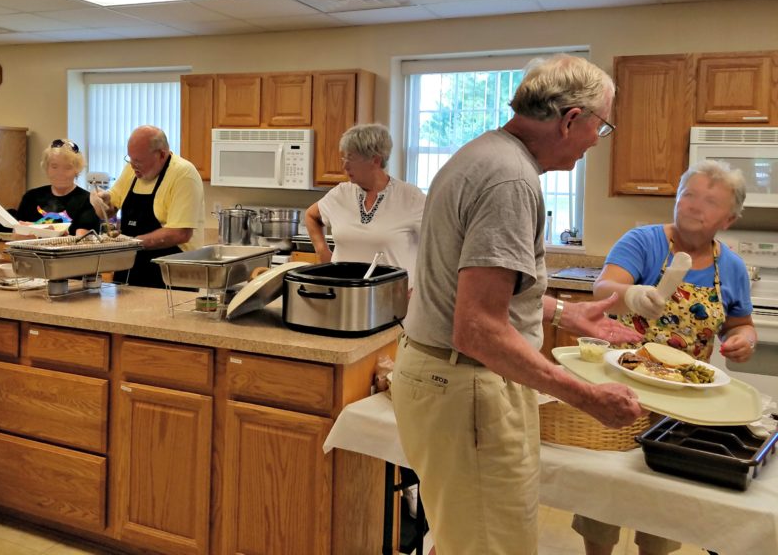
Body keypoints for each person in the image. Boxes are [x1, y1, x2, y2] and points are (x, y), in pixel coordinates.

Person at [391, 54, 645, 555]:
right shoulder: (511, 181)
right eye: (602, 126)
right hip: (467, 388)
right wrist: (586, 397)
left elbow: (478, 293)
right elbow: (479, 329)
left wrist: (561, 313)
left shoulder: (482, 154)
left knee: (464, 535)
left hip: (441, 380)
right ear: (572, 119)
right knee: (491, 545)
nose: (598, 139)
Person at [573, 159, 757, 555]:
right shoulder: (643, 242)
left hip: (683, 407)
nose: (694, 205)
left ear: (729, 219)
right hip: (622, 393)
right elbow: (603, 288)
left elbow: (741, 323)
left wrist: (744, 339)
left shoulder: (733, 267)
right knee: (605, 495)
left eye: (709, 201)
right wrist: (634, 296)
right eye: (688, 194)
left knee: (663, 503)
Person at [305, 123, 425, 286]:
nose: (344, 166)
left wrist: (420, 288)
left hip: (393, 299)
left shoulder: (411, 198)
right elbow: (311, 215)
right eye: (344, 158)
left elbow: (438, 248)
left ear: (375, 160)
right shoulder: (340, 194)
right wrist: (323, 252)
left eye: (351, 158)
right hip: (343, 296)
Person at [91, 126, 204, 288]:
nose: (133, 165)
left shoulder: (184, 174)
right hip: (129, 272)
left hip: (172, 277)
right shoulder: (132, 171)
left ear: (162, 155)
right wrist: (100, 200)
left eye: (139, 161)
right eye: (130, 159)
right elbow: (108, 212)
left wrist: (130, 243)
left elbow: (180, 233)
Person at [0, 138, 102, 236]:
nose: (60, 173)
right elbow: (17, 236)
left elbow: (82, 241)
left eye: (67, 167)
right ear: (46, 168)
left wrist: (37, 229)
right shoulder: (31, 197)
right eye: (54, 166)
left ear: (77, 170)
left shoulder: (88, 201)